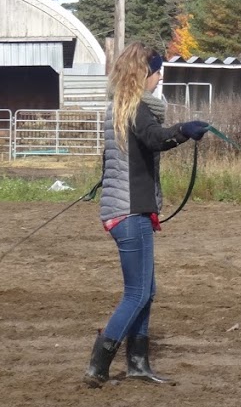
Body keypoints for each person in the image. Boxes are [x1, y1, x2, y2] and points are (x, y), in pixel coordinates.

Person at [84, 42, 209, 387]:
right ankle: (99, 362)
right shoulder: (135, 109)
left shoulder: (121, 108)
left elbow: (125, 157)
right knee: (137, 293)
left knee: (146, 290)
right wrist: (185, 130)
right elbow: (155, 140)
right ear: (145, 75)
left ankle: (138, 363)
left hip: (125, 209)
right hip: (130, 211)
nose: (159, 79)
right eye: (157, 73)